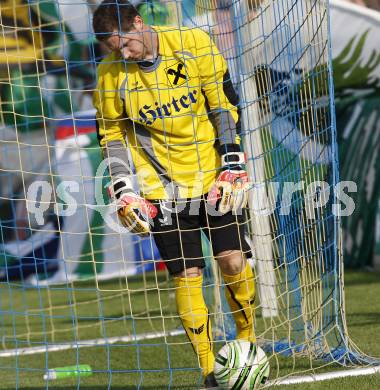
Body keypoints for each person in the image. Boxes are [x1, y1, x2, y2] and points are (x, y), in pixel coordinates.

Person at [92, 0, 255, 386]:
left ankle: (248, 348)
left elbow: (223, 103)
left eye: (127, 44)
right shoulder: (110, 74)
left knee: (232, 262)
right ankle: (208, 371)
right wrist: (123, 188)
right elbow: (112, 135)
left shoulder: (193, 42)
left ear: (138, 22)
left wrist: (232, 161)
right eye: (116, 51)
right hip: (160, 188)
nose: (125, 54)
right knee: (187, 274)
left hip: (213, 176)